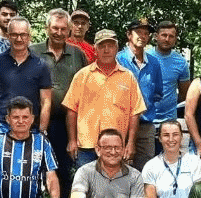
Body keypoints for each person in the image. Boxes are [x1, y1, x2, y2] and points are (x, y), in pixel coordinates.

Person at [63, 29, 144, 167]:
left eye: (110, 45)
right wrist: (71, 140)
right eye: (102, 46)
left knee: (116, 186)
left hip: (116, 147)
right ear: (95, 49)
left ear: (117, 48)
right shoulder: (82, 76)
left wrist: (130, 143)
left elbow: (135, 113)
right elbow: (71, 110)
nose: (106, 50)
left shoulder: (128, 77)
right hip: (86, 147)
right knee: (86, 187)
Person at [31, 8, 88, 192]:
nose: (59, 33)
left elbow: (85, 86)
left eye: (64, 29)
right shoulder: (33, 52)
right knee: (33, 165)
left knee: (63, 167)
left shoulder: (77, 54)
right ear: (47, 28)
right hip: (34, 120)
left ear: (69, 30)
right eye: (55, 28)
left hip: (66, 122)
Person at [0, 16, 53, 138]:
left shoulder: (41, 65)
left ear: (29, 37)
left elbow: (46, 102)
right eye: (14, 35)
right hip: (0, 126)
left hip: (30, 127)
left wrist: (42, 131)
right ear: (8, 36)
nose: (19, 39)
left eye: (23, 35)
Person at [117, 17, 164, 169]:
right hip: (120, 123)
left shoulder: (154, 63)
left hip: (145, 125)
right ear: (129, 34)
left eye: (146, 33)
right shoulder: (118, 59)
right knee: (119, 167)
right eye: (138, 32)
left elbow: (157, 92)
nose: (142, 36)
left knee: (146, 168)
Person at [147, 20, 192, 127]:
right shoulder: (144, 58)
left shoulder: (181, 62)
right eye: (164, 35)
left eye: (171, 36)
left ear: (175, 39)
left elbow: (184, 95)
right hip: (146, 120)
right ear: (156, 36)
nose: (167, 39)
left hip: (169, 121)